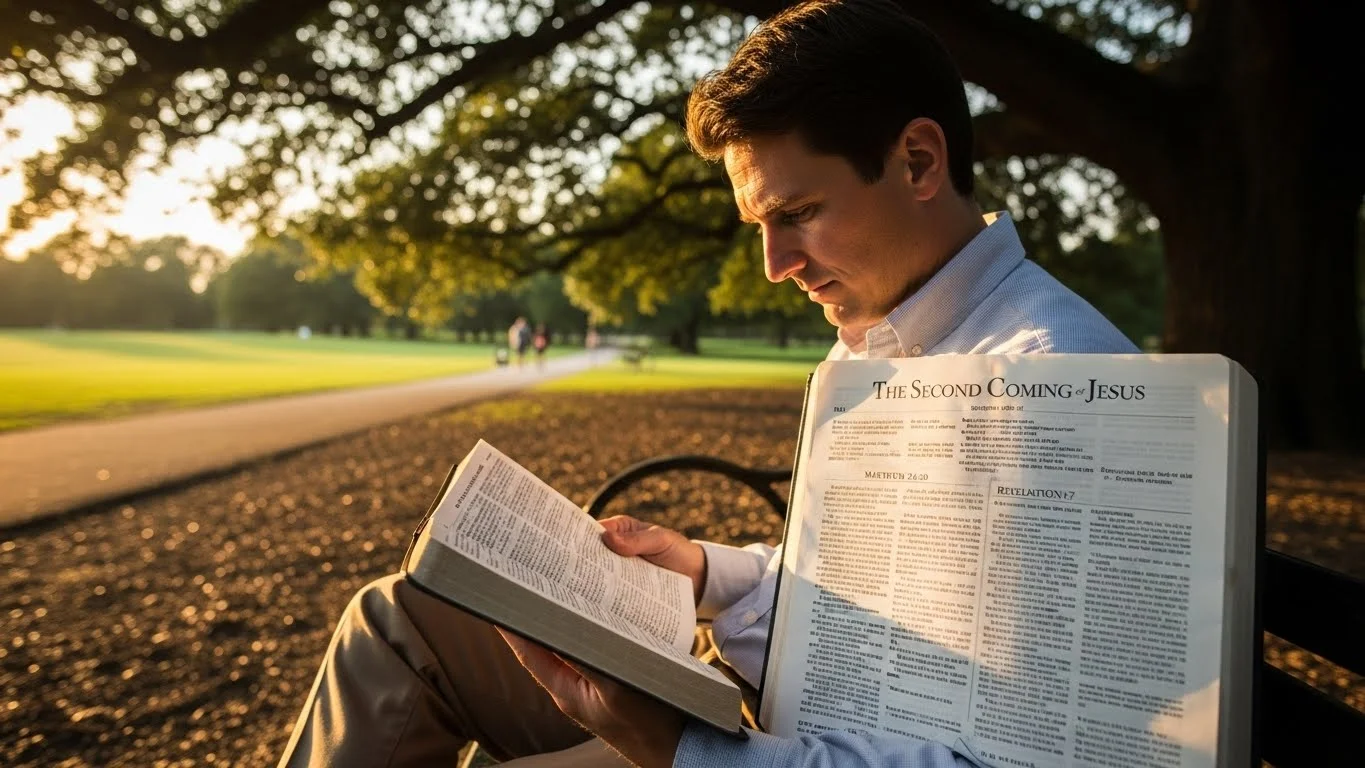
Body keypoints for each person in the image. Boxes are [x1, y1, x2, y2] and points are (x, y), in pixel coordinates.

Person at [276, 1, 1137, 766]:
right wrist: (703, 572)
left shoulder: (1061, 389)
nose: (774, 265)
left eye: (795, 214)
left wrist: (675, 745)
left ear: (916, 162)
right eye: (761, 225)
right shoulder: (880, 337)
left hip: (765, 746)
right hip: (763, 707)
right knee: (398, 621)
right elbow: (873, 594)